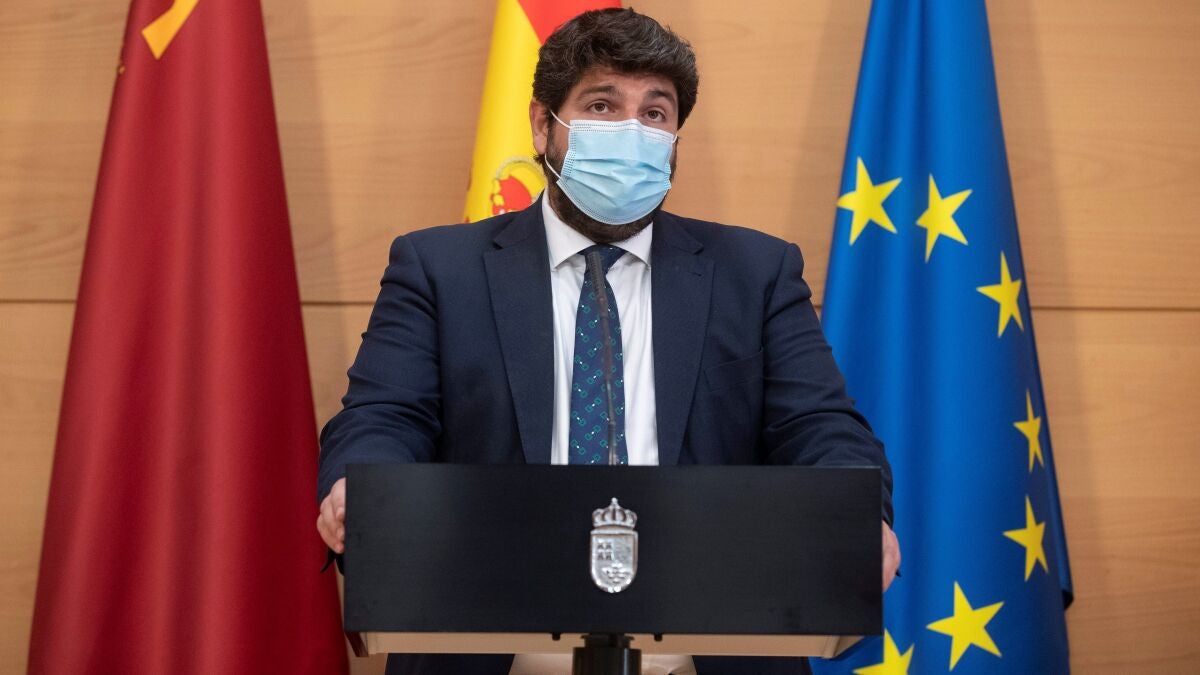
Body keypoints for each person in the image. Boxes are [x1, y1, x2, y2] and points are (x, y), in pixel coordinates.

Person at [316, 9, 900, 675]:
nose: (632, 132)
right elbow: (385, 416)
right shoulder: (439, 269)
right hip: (492, 651)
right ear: (543, 125)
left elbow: (819, 426)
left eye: (655, 113)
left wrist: (856, 513)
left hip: (702, 653)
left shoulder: (755, 272)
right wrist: (359, 486)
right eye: (601, 105)